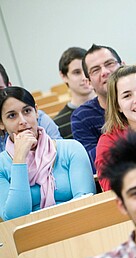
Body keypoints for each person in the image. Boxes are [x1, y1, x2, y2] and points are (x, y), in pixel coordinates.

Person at [0, 87, 96, 221]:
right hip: (30, 237)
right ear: (1, 123)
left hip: (77, 225)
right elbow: (15, 218)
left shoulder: (71, 149)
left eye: (27, 111)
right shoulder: (1, 165)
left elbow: (86, 201)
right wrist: (19, 159)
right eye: (12, 115)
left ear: (36, 112)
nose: (22, 120)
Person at [71, 44, 123, 172]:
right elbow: (95, 164)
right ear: (88, 82)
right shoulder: (81, 118)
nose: (105, 72)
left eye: (109, 63)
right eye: (95, 70)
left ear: (122, 66)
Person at [0, 63, 62, 152]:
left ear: (9, 87)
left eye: (0, 90)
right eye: (12, 115)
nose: (23, 121)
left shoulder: (39, 119)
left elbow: (61, 153)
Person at [53, 47, 96, 139]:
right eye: (77, 72)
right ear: (63, 76)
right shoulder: (58, 125)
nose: (84, 77)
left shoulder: (112, 105)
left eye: (86, 70)